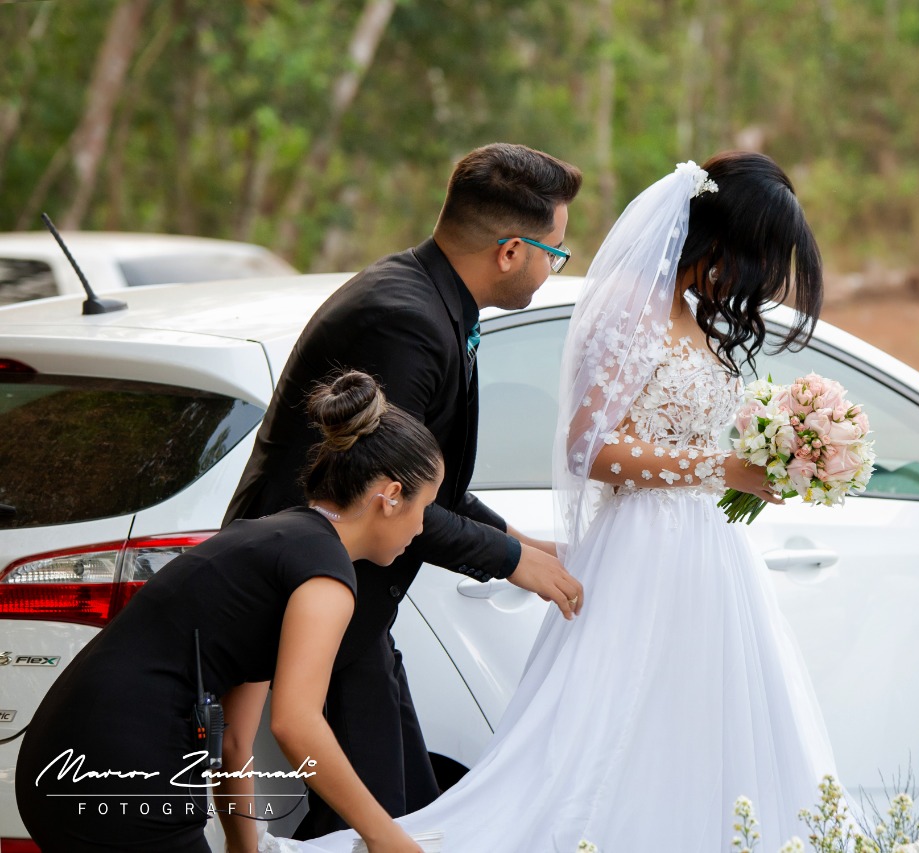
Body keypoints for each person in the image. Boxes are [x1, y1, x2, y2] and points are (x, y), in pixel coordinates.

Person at [288, 153, 838, 853]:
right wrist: (720, 466)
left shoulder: (693, 312)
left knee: (699, 734)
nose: (762, 274)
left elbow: (449, 485)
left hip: (704, 554)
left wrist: (772, 450)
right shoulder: (619, 309)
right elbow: (590, 448)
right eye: (761, 254)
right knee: (591, 753)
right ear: (723, 238)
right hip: (640, 547)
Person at [222, 143, 586, 837]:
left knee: (411, 813)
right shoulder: (406, 320)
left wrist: (519, 541)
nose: (553, 266)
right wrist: (513, 562)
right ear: (511, 250)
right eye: (555, 252)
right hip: (312, 599)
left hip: (357, 613)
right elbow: (386, 496)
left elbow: (423, 486)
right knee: (377, 823)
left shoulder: (428, 298)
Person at [16, 371, 443, 853]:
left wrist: (245, 847)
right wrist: (389, 838)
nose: (423, 526)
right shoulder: (326, 577)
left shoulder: (276, 542)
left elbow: (236, 742)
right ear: (389, 497)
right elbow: (296, 724)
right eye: (424, 505)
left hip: (59, 760)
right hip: (125, 767)